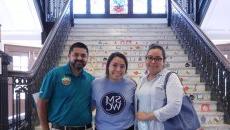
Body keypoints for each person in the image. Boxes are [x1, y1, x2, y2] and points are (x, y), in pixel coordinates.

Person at [37, 42, 94, 130]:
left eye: (83, 56)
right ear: (69, 56)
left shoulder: (91, 79)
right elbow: (41, 102)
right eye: (76, 55)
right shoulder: (54, 74)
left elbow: (92, 105)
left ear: (87, 58)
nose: (79, 58)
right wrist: (45, 128)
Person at [135, 44, 184, 130]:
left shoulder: (170, 77)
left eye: (158, 58)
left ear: (163, 61)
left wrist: (147, 116)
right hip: (142, 126)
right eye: (150, 57)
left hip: (161, 127)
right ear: (146, 59)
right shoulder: (142, 79)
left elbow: (175, 106)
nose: (153, 61)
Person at [92, 52, 136, 130]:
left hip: (127, 127)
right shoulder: (96, 83)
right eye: (114, 65)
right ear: (108, 66)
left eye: (122, 66)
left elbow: (134, 109)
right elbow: (91, 106)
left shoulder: (132, 85)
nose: (118, 69)